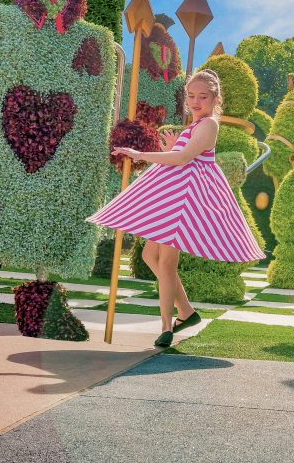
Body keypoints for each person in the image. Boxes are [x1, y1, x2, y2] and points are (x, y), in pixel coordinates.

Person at [86, 69, 265, 347]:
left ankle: (167, 327)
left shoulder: (209, 125)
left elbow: (183, 158)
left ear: (216, 98)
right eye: (191, 96)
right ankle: (187, 312)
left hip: (183, 202)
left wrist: (139, 154)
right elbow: (180, 153)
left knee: (167, 263)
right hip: (174, 197)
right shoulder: (195, 126)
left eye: (203, 97)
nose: (196, 102)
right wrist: (170, 146)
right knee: (149, 255)